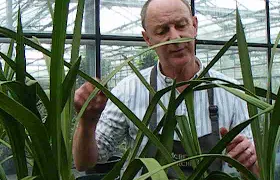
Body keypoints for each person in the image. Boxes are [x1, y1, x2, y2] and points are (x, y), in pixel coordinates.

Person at [73, 0, 259, 177]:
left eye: (181, 25)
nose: (175, 38)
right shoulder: (128, 91)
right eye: (162, 31)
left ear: (194, 26)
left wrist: (250, 161)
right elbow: (86, 163)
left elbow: (255, 171)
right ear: (148, 39)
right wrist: (87, 122)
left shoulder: (230, 91)